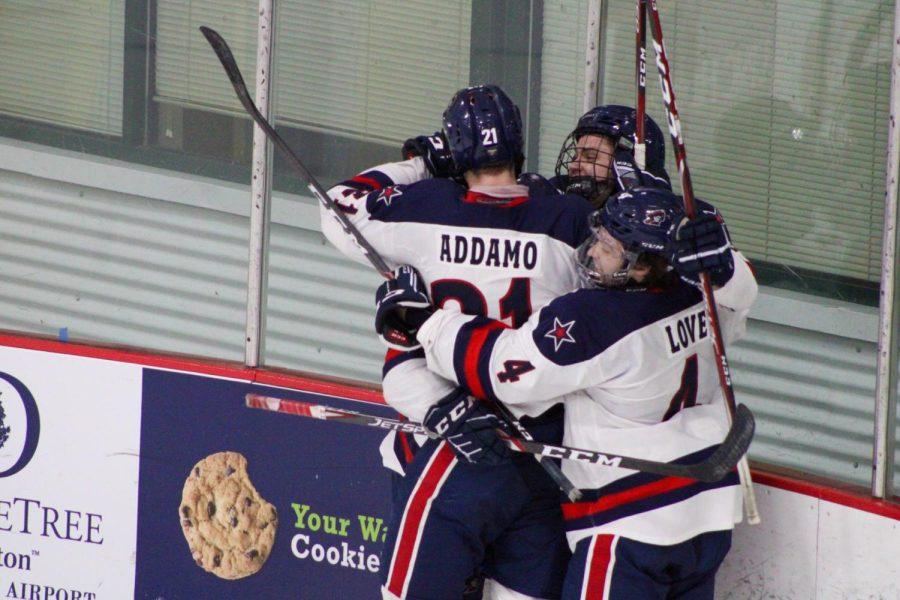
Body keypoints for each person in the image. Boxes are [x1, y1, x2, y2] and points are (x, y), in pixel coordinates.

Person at [377, 186, 757, 599]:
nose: (592, 253)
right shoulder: (707, 291)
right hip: (710, 516)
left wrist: (426, 323)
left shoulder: (595, 319)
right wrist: (725, 263)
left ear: (643, 267)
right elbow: (741, 286)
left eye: (608, 248)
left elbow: (504, 371)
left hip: (630, 524)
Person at [321, 84, 596, 599]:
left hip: (456, 451)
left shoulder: (423, 208)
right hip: (545, 454)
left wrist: (420, 163)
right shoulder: (568, 220)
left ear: (455, 147)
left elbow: (337, 205)